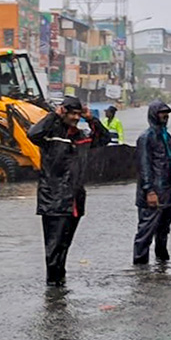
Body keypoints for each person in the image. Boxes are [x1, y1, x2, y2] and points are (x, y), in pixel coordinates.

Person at [28, 95, 112, 286]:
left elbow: (104, 138)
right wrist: (54, 115)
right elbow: (33, 134)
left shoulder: (81, 137)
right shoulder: (51, 135)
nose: (75, 118)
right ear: (63, 112)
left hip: (74, 201)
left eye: (78, 114)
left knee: (64, 245)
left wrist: (91, 119)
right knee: (53, 247)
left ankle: (60, 284)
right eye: (71, 113)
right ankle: (53, 287)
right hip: (54, 200)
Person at [134, 99, 171, 265]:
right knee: (145, 231)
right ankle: (140, 267)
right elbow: (144, 166)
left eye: (167, 113)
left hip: (168, 192)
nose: (165, 116)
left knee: (163, 230)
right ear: (154, 114)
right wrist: (149, 191)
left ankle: (162, 263)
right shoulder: (146, 138)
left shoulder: (167, 137)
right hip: (153, 193)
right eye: (162, 113)